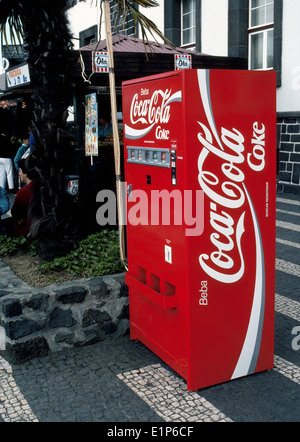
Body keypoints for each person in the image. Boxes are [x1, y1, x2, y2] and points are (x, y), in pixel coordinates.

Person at [9, 157, 36, 237]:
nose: (19, 173)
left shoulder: (24, 192)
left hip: (29, 230)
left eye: (20, 171)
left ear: (26, 173)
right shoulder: (42, 186)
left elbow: (15, 213)